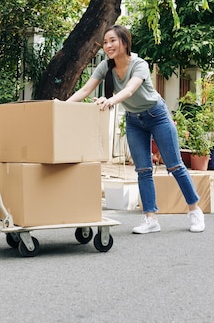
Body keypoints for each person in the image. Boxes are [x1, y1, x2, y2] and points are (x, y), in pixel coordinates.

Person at [67, 25, 205, 234]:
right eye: (105, 42)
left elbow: (131, 89)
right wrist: (61, 106)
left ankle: (195, 210)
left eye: (112, 40)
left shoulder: (139, 64)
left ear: (124, 42)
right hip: (134, 120)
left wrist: (111, 101)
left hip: (157, 115)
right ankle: (151, 218)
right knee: (142, 169)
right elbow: (86, 89)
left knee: (175, 165)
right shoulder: (105, 67)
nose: (108, 45)